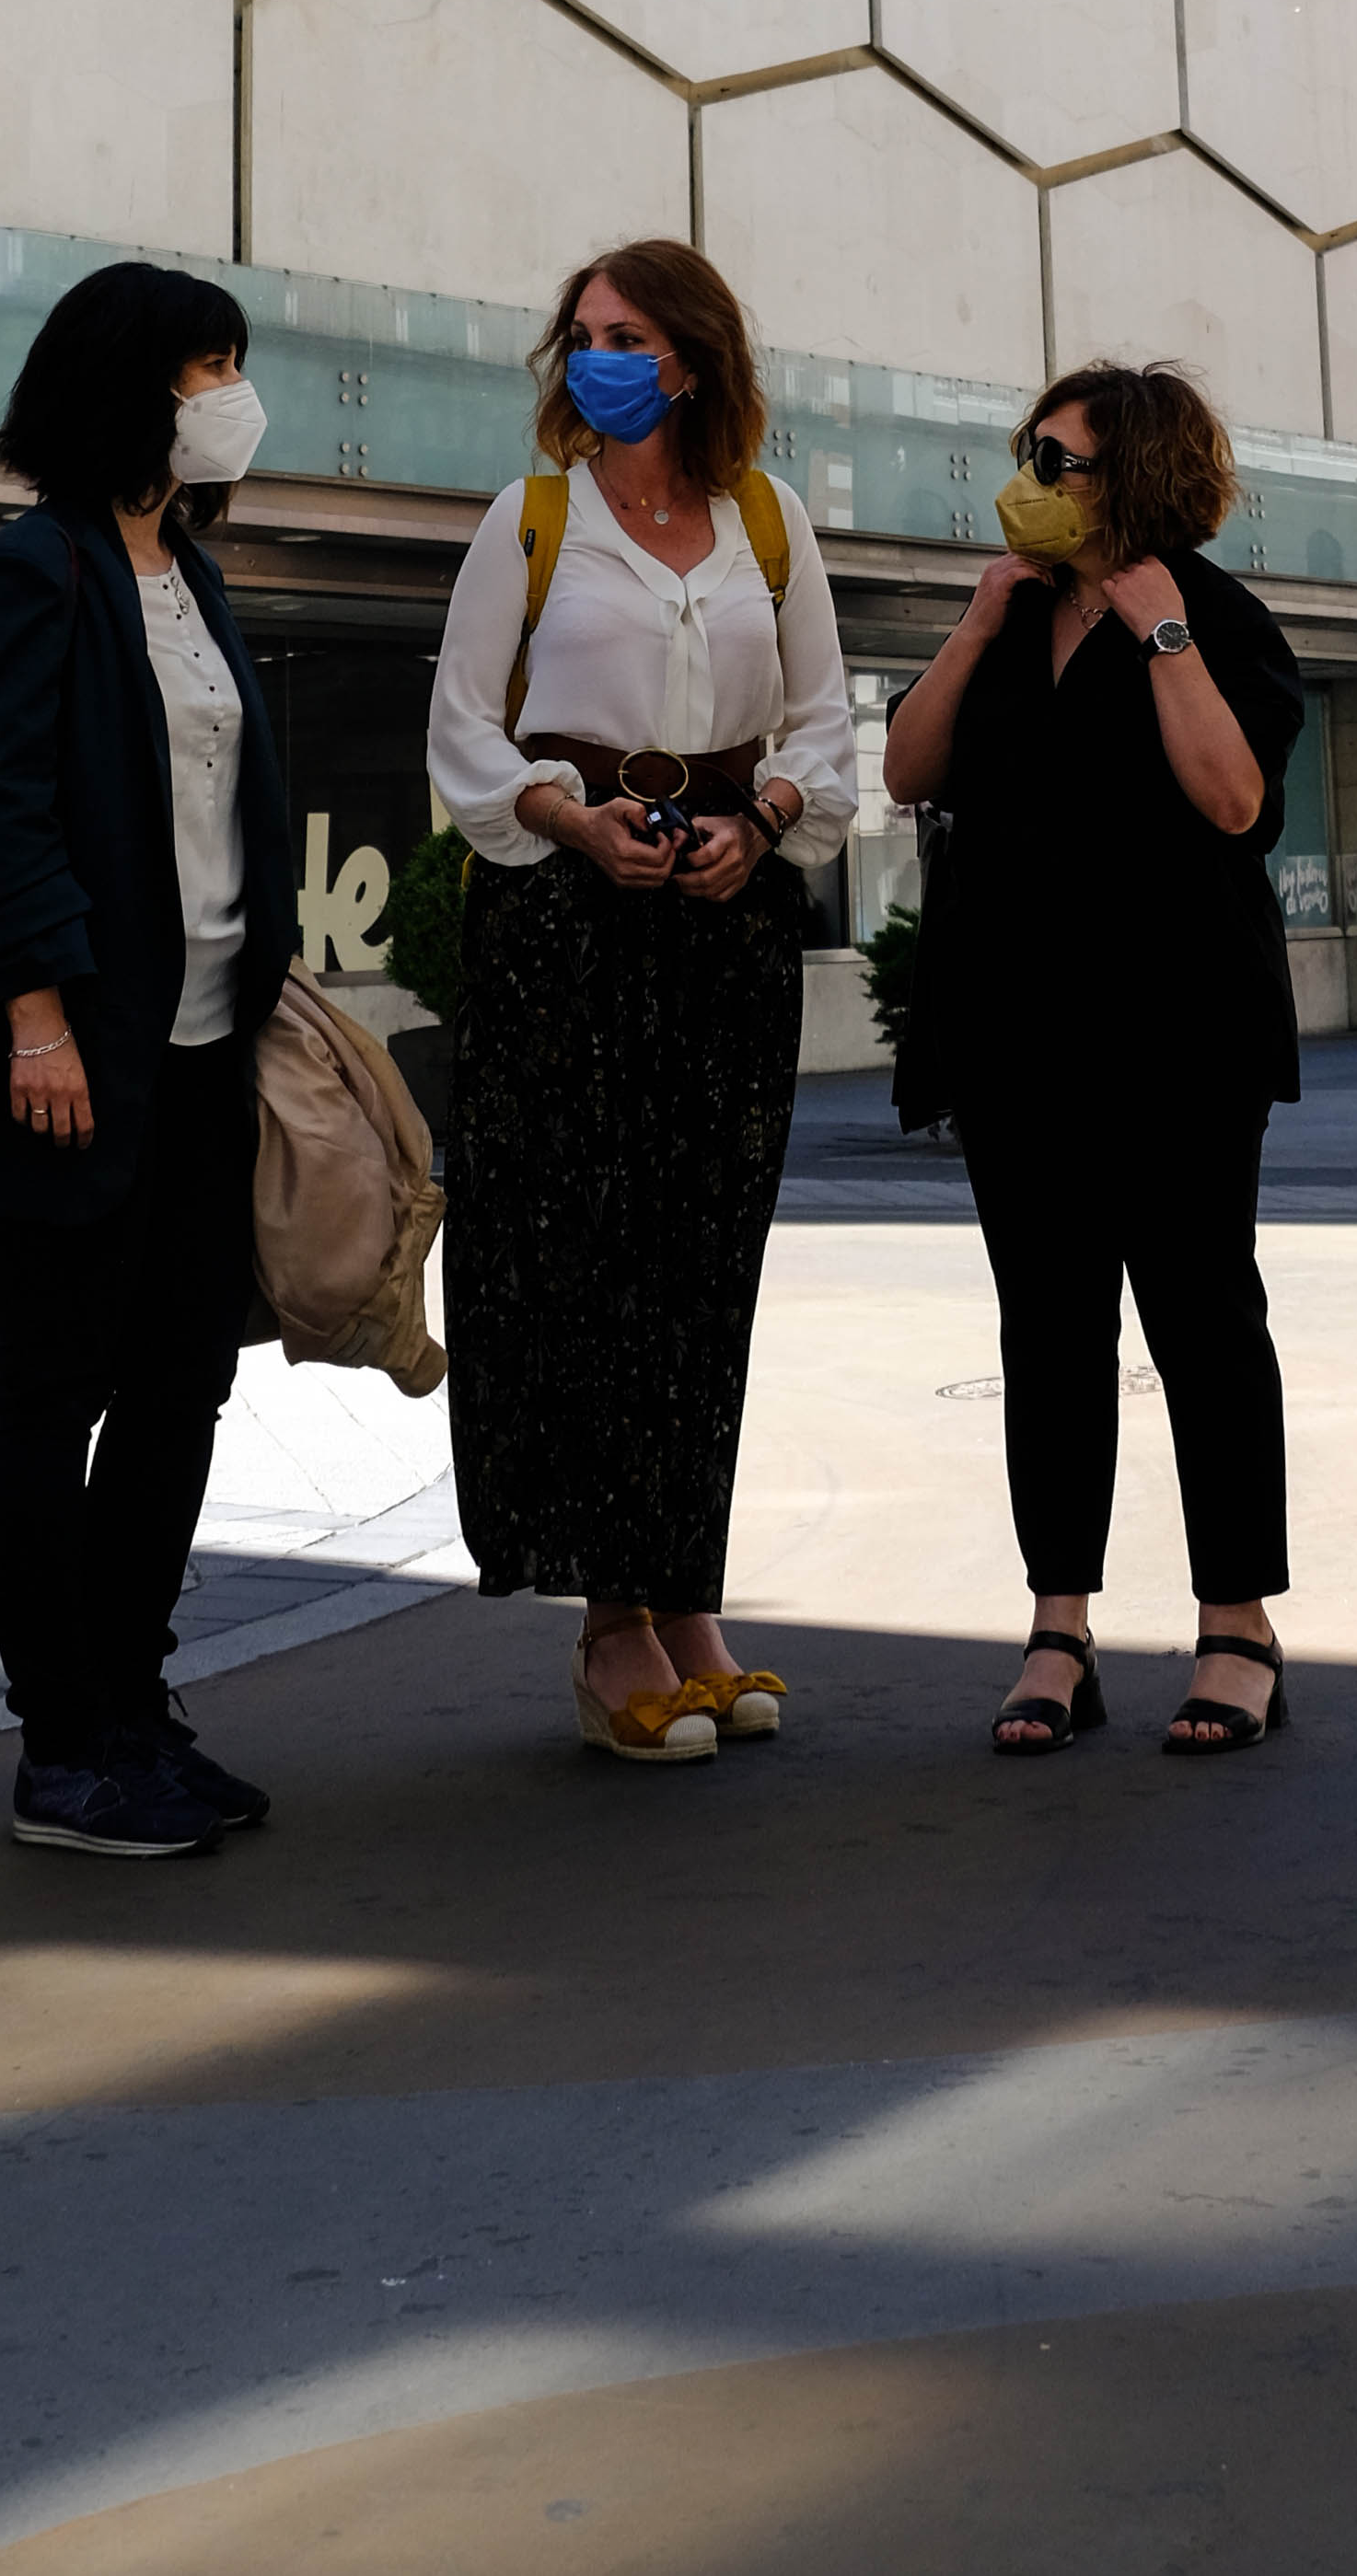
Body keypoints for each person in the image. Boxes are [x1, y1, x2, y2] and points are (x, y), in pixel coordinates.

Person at [428, 243, 855, 1763]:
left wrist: (768, 817)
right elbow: (461, 728)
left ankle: (687, 1599)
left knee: (701, 1262)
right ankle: (610, 1623)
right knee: (578, 1261)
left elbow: (823, 717)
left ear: (690, 355)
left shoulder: (767, 519)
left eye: (626, 332)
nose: (597, 355)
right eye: (583, 333)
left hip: (726, 914)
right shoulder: (529, 516)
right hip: (562, 917)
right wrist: (564, 818)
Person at [884, 361, 1307, 1759]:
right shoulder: (1010, 618)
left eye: (1060, 462)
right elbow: (908, 771)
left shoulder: (1221, 619)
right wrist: (971, 625)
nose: (1036, 482)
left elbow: (1235, 801)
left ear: (1135, 475)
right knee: (1049, 1330)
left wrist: (1165, 634)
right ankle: (1057, 1623)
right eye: (1032, 454)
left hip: (1181, 1034)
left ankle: (1237, 1623)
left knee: (1202, 1323)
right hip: (1017, 1033)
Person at [0, 260, 294, 1862]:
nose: (230, 394)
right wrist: (35, 1015)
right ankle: (61, 1745)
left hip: (205, 1050)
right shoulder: (38, 566)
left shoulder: (190, 573)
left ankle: (133, 1707)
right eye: (205, 366)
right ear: (124, 386)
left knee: (178, 1386)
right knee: (47, 1385)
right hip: (72, 1052)